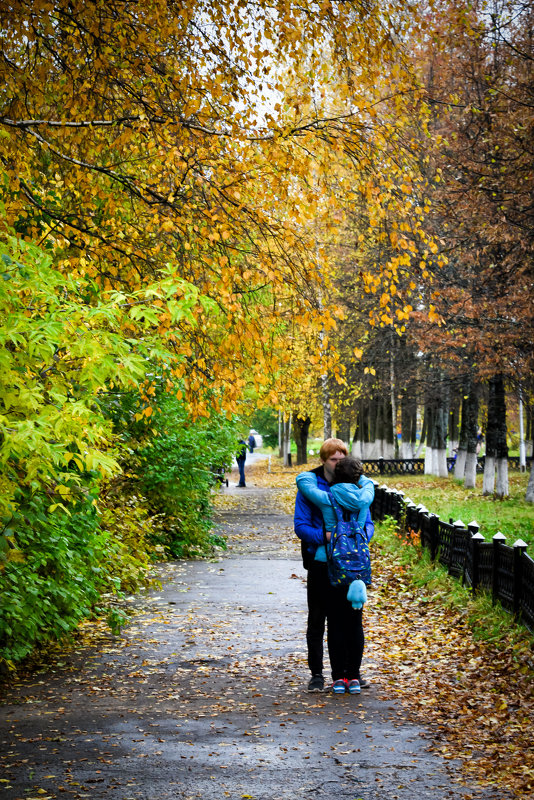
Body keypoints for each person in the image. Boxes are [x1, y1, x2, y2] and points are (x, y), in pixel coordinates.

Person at [294, 439, 374, 694]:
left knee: (349, 619)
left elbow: (369, 524)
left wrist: (356, 537)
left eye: (342, 459)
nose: (338, 464)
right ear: (324, 460)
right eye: (333, 460)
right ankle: (317, 674)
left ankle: (351, 674)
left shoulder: (356, 486)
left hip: (349, 564)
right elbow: (301, 527)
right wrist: (328, 537)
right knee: (318, 618)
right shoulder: (314, 485)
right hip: (320, 562)